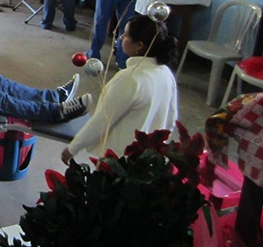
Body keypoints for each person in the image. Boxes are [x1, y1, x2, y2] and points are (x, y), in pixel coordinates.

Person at [61, 15, 179, 164]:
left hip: (119, 160)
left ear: (139, 45)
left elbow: (102, 121)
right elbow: (171, 118)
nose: (121, 37)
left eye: (127, 34)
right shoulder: (165, 73)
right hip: (148, 159)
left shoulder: (129, 78)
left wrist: (72, 148)